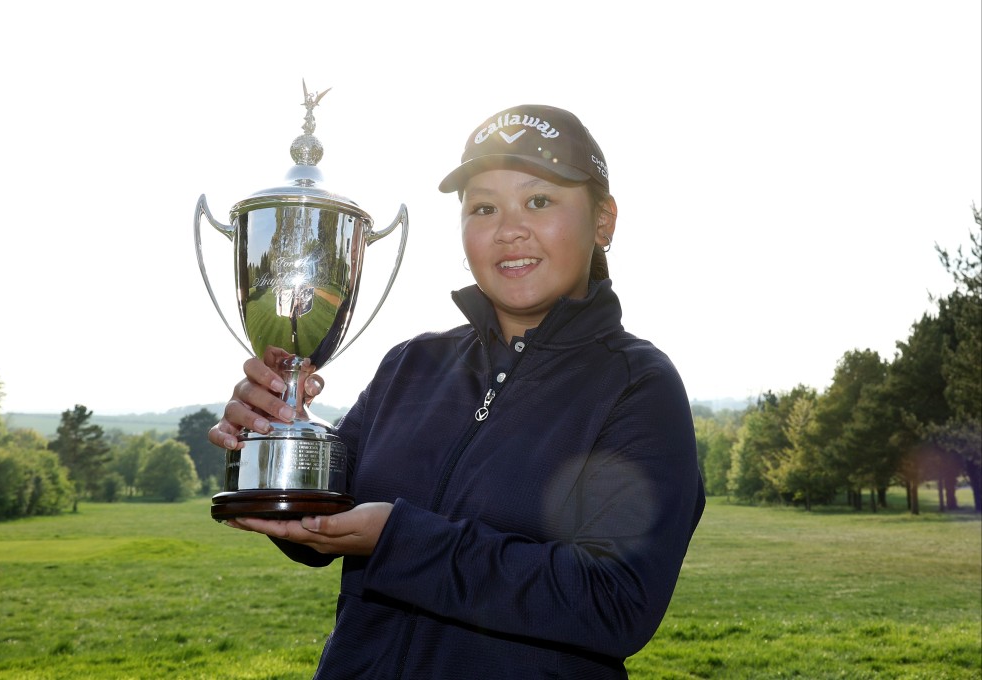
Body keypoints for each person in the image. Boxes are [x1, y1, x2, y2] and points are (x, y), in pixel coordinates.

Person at [209, 104, 706, 679]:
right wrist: (273, 444)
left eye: (539, 201)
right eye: (484, 207)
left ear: (603, 221)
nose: (508, 228)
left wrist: (400, 540)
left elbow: (613, 601)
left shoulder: (639, 387)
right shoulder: (412, 364)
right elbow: (326, 519)